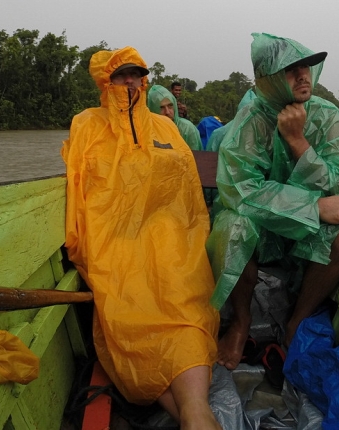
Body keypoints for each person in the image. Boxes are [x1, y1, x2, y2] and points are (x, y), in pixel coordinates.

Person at [62, 46, 221, 429]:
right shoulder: (86, 124)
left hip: (172, 245)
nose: (131, 81)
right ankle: (196, 411)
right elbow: (81, 191)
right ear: (106, 81)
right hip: (115, 246)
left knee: (184, 306)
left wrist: (188, 241)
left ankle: (193, 411)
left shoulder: (165, 128)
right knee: (130, 313)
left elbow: (188, 200)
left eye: (137, 73)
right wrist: (85, 246)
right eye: (121, 75)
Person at [206, 33, 339, 370]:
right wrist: (313, 207)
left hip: (300, 232)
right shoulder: (249, 123)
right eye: (291, 70)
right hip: (261, 229)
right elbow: (240, 192)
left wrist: (298, 142)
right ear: (267, 79)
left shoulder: (328, 117)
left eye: (306, 66)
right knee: (232, 226)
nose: (304, 75)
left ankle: (297, 321)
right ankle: (241, 322)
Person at [147, 85, 203, 150]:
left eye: (170, 106)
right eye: (161, 107)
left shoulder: (187, 129)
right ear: (153, 110)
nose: (167, 112)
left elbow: (197, 157)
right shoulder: (148, 131)